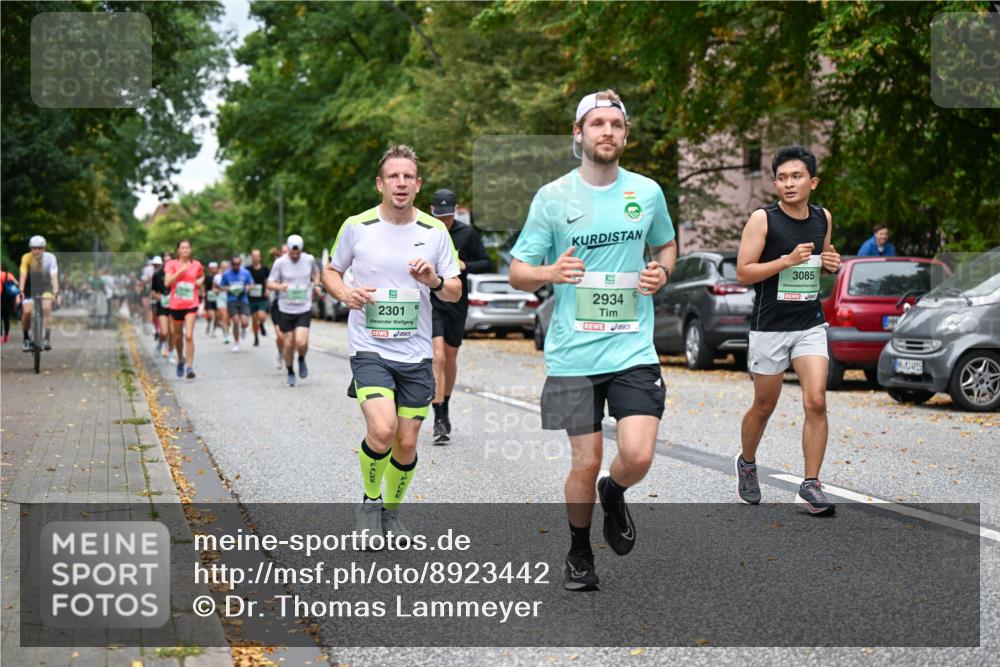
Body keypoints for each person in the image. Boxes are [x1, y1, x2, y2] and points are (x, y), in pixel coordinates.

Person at [508, 91, 676, 592]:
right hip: (572, 356)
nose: (607, 131)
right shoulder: (552, 197)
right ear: (578, 134)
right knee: (585, 461)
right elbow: (518, 271)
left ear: (625, 135)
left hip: (632, 349)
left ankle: (615, 491)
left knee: (638, 456)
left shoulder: (647, 192)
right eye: (597, 123)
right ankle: (579, 551)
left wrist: (662, 271)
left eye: (616, 124)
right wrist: (549, 272)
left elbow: (666, 244)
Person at [324, 145, 461, 542]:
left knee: (406, 441)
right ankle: (369, 505)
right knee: (383, 429)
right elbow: (331, 272)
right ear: (380, 184)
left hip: (415, 352)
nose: (400, 183)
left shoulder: (435, 232)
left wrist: (434, 280)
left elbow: (454, 291)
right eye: (393, 177)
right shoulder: (357, 226)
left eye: (408, 177)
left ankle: (391, 514)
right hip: (370, 347)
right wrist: (345, 293)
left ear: (418, 185)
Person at [734, 145, 842, 515]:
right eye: (782, 178)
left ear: (813, 182)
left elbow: (822, 261)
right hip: (770, 327)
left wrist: (830, 263)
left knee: (816, 400)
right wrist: (785, 261)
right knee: (765, 405)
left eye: (796, 176)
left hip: (809, 323)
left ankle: (811, 484)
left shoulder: (823, 217)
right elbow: (744, 272)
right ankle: (747, 463)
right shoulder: (763, 220)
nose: (789, 183)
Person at [427, 189, 493, 445]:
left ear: (454, 212)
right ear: (431, 211)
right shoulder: (424, 232)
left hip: (456, 301)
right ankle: (438, 417)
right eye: (440, 216)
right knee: (438, 357)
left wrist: (466, 265)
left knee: (450, 356)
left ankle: (445, 405)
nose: (444, 220)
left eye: (448, 215)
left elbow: (486, 262)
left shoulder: (467, 234)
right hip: (432, 300)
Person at [268, 235, 321, 386]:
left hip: (304, 307)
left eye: (298, 253)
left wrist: (316, 285)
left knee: (301, 342)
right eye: (293, 253)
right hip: (285, 308)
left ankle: (302, 358)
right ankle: (290, 370)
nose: (295, 256)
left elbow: (317, 273)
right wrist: (281, 286)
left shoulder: (309, 259)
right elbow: (270, 283)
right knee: (288, 342)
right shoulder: (280, 262)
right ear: (289, 250)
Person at [164, 240, 204, 379]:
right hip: (176, 305)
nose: (185, 250)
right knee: (178, 336)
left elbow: (201, 276)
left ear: (191, 250)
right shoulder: (171, 264)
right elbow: (167, 283)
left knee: (188, 335)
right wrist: (180, 271)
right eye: (182, 248)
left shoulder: (197, 264)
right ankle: (180, 359)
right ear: (178, 250)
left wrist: (199, 282)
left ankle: (189, 367)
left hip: (191, 303)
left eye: (187, 248)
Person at [19, 235, 60, 352]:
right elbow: (23, 275)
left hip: (45, 284)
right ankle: (26, 338)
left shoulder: (50, 258)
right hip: (30, 285)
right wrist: (21, 290)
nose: (36, 251)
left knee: (47, 308)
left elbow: (54, 276)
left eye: (40, 248)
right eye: (34, 248)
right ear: (30, 249)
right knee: (27, 312)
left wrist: (55, 291)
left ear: (44, 249)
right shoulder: (26, 257)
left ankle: (47, 337)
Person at [220, 254, 253, 352]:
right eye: (234, 264)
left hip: (243, 300)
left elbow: (251, 284)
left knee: (245, 322)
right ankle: (236, 343)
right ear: (231, 264)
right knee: (235, 321)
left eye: (238, 264)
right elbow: (221, 286)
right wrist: (230, 288)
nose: (236, 266)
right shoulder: (226, 274)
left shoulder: (246, 273)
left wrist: (247, 288)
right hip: (232, 300)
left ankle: (243, 328)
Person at [269, 245, 288, 369]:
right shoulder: (278, 266)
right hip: (278, 305)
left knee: (291, 338)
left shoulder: (300, 266)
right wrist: (280, 286)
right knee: (280, 336)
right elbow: (270, 283)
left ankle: (290, 357)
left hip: (294, 306)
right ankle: (280, 353)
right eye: (284, 252)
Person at [247, 249, 270, 346]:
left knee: (261, 316)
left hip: (262, 297)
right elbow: (245, 280)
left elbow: (267, 280)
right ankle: (256, 337)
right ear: (251, 257)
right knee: (254, 319)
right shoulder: (247, 269)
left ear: (260, 257)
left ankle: (262, 324)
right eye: (253, 256)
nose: (255, 258)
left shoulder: (265, 269)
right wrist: (247, 287)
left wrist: (267, 289)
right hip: (251, 297)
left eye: (257, 256)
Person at [1, 263, 19, 344]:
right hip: (8, 300)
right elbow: (17, 284)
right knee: (6, 319)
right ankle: (6, 335)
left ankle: (1, 336)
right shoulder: (8, 275)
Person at [203, 261, 220, 337]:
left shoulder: (219, 277)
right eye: (212, 268)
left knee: (217, 315)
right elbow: (203, 285)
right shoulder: (206, 277)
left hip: (218, 297)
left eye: (214, 268)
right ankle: (209, 323)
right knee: (210, 315)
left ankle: (213, 330)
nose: (213, 269)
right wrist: (203, 293)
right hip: (209, 297)